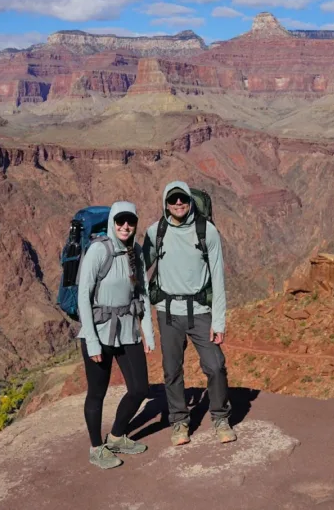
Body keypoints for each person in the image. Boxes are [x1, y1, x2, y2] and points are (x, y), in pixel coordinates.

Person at [143, 181, 236, 446]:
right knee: (172, 370)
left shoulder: (206, 231)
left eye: (182, 199)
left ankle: (220, 417)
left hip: (201, 311)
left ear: (190, 200)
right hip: (168, 312)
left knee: (215, 365)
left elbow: (217, 277)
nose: (178, 204)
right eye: (173, 201)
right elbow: (139, 267)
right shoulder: (156, 231)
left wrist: (218, 321)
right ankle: (180, 421)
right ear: (165, 203)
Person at [77, 201, 155, 469]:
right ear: (112, 222)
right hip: (98, 331)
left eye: (130, 222)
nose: (125, 226)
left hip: (127, 330)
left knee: (140, 388)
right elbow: (83, 297)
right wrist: (92, 341)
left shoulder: (136, 252)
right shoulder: (99, 250)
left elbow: (141, 293)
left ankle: (117, 436)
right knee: (97, 393)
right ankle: (97, 448)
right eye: (120, 221)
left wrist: (148, 334)